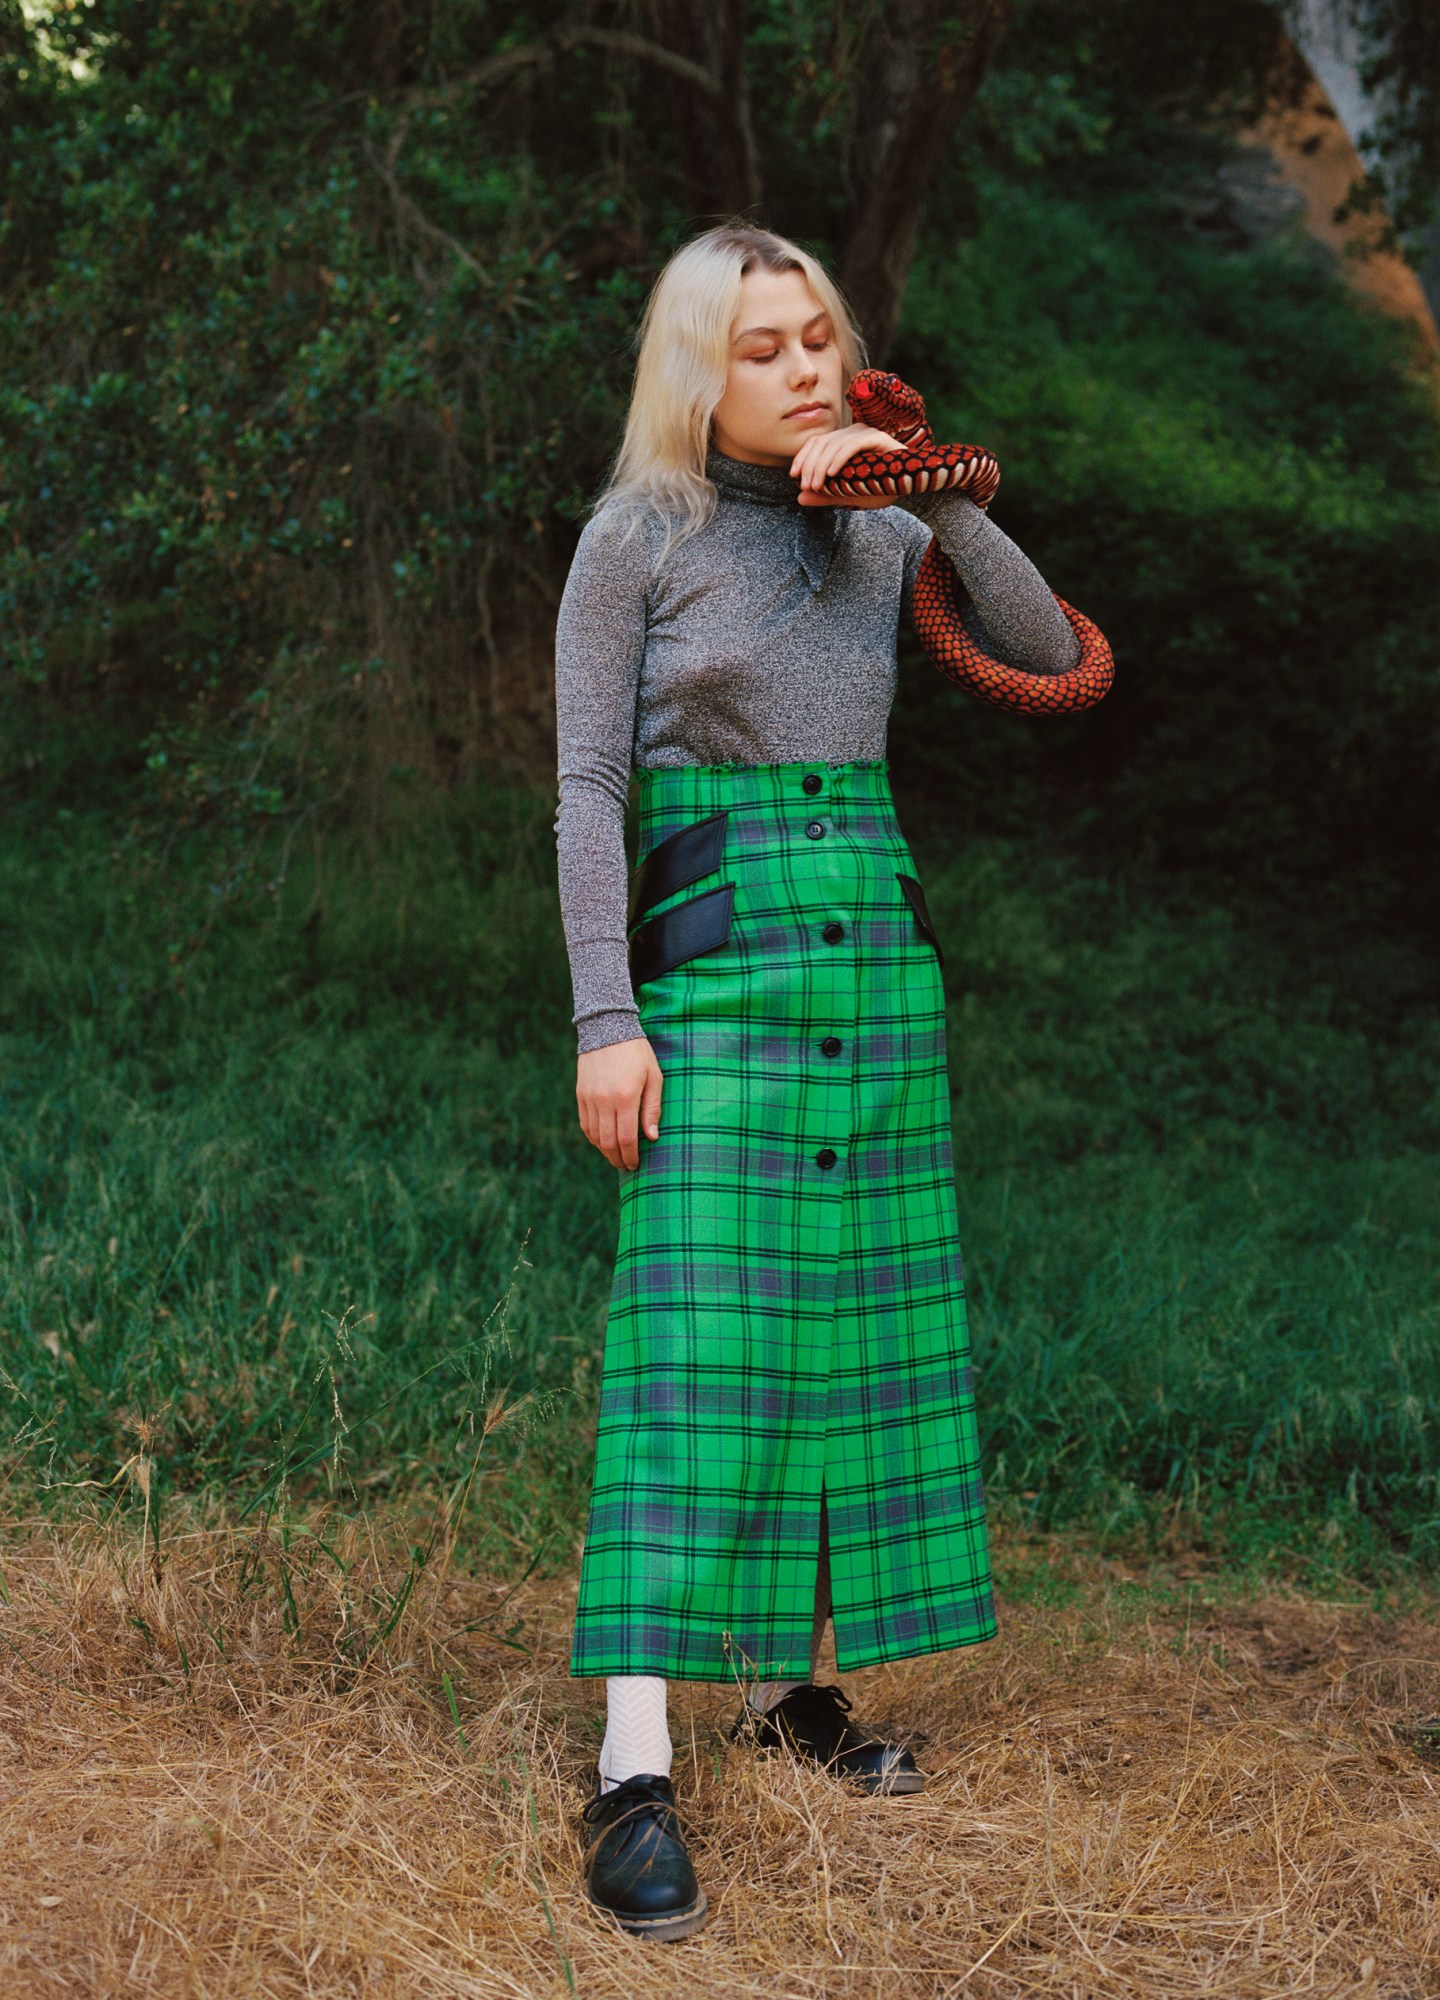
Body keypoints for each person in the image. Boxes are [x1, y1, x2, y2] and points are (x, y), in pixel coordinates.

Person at [553, 221, 1079, 1942]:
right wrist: (603, 1020)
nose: (795, 368)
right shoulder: (636, 534)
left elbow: (1046, 647)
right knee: (694, 1353)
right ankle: (635, 1769)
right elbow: (588, 795)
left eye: (816, 339)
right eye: (761, 345)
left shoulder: (881, 525)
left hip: (875, 957)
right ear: (696, 369)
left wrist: (930, 488)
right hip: (717, 969)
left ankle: (794, 1698)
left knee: (847, 1345)